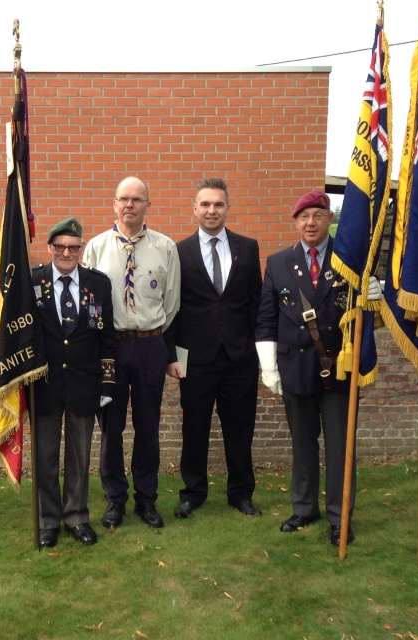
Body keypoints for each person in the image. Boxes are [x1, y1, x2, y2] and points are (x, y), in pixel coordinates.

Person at [255, 191, 380, 547]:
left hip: (338, 369)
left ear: (330, 219)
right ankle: (304, 508)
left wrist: (376, 295)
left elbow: (368, 319)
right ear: (295, 222)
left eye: (318, 215)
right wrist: (269, 368)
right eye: (303, 216)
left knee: (340, 448)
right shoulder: (279, 262)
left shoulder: (351, 260)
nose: (310, 223)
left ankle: (340, 518)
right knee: (303, 445)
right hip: (295, 367)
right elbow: (267, 318)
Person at [82, 176, 180, 529]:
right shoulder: (95, 247)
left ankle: (147, 499)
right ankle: (114, 500)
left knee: (148, 426)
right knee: (110, 427)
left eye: (137, 200)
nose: (129, 205)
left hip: (151, 345)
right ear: (114, 204)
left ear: (147, 206)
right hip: (109, 349)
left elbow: (172, 305)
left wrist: (162, 345)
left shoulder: (166, 247)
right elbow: (89, 303)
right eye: (123, 199)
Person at [169, 177, 262, 520]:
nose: (212, 210)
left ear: (227, 208)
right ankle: (193, 493)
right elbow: (173, 309)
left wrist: (256, 351)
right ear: (194, 209)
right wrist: (174, 357)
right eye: (205, 204)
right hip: (195, 360)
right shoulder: (178, 252)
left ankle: (241, 493)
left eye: (218, 204)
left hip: (240, 359)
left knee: (240, 429)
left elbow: (256, 303)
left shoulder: (247, 248)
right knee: (195, 429)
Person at [32, 217, 116, 548]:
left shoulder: (98, 283)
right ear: (50, 248)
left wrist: (107, 384)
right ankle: (48, 520)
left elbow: (107, 338)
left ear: (81, 249)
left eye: (73, 247)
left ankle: (77, 517)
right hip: (45, 383)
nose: (67, 253)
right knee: (45, 456)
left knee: (80, 455)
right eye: (60, 247)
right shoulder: (34, 280)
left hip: (85, 382)